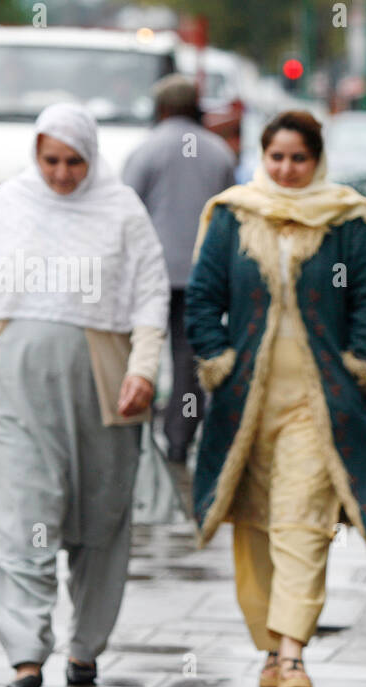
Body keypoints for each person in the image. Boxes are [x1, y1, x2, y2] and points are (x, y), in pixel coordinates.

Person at [0, 103, 169, 687]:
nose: (60, 173)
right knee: (19, 509)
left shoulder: (121, 208)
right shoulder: (10, 203)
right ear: (35, 154)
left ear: (93, 155)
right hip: (14, 391)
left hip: (101, 395)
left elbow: (151, 295)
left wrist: (144, 370)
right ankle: (26, 653)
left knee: (97, 520)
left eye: (74, 160)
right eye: (50, 159)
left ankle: (85, 645)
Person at [186, 111, 366, 687]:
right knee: (253, 528)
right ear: (263, 156)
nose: (287, 169)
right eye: (276, 157)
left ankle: (292, 652)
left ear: (317, 159)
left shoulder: (346, 218)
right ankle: (270, 648)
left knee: (302, 522)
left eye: (298, 158)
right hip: (245, 404)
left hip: (318, 402)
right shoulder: (233, 214)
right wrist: (216, 356)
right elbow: (202, 297)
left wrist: (359, 361)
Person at [122, 74, 236, 465]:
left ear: (163, 108)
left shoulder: (146, 151)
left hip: (151, 272)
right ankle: (178, 440)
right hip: (203, 272)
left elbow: (126, 210)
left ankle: (136, 434)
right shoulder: (219, 152)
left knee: (142, 350)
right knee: (189, 360)